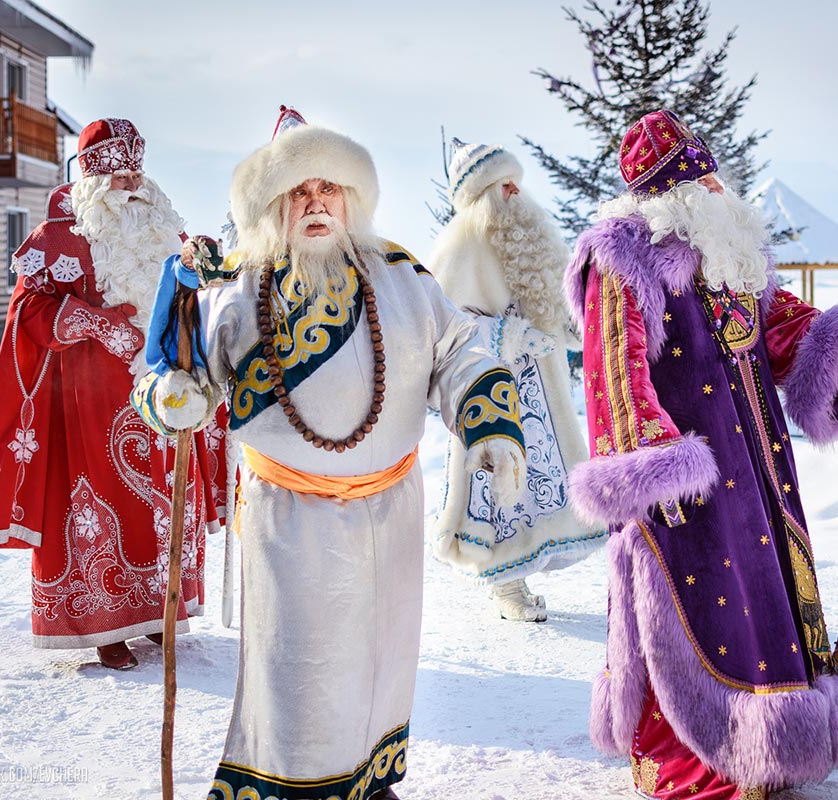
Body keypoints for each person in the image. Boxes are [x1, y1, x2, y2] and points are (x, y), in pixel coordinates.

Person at [134, 106, 526, 800]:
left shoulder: (405, 279)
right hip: (291, 522)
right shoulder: (235, 292)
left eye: (329, 188)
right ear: (274, 206)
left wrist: (488, 424)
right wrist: (176, 396)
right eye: (299, 192)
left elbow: (461, 351)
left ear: (352, 199)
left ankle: (371, 786)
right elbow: (174, 379)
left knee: (379, 665)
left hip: (390, 518)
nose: (316, 203)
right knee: (299, 676)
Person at [564, 109, 838, 799]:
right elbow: (613, 374)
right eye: (705, 179)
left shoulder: (732, 260)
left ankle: (771, 750)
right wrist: (655, 465)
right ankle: (700, 765)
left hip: (762, 478)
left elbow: (779, 329)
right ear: (678, 192)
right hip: (691, 490)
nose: (719, 190)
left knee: (765, 605)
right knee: (694, 611)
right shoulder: (622, 257)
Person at [0, 118, 228, 671]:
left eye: (137, 172)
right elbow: (28, 310)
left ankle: (160, 612)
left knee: (167, 503)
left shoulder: (165, 230)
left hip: (164, 393)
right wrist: (96, 324)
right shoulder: (60, 238)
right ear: (94, 177)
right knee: (103, 505)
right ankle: (103, 624)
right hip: (89, 401)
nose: (132, 183)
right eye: (119, 175)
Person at [426, 139, 607, 622]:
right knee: (496, 483)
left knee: (539, 484)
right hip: (491, 389)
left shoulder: (529, 234)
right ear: (480, 192)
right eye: (502, 182)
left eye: (515, 181)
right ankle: (505, 586)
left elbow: (558, 299)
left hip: (543, 392)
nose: (514, 189)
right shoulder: (459, 245)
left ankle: (520, 576)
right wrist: (513, 335)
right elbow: (445, 326)